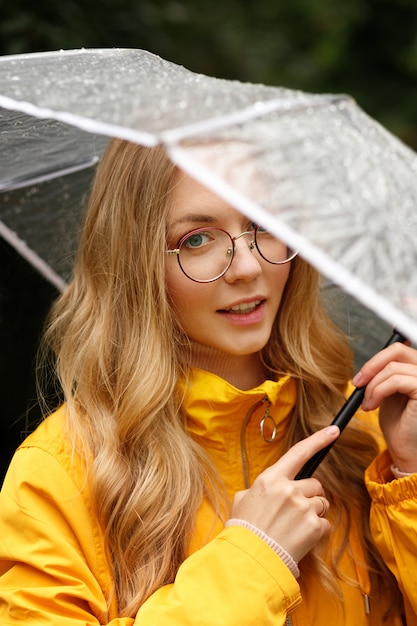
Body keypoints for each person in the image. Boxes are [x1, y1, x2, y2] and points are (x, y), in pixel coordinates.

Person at [1, 138, 417, 626]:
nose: (247, 267)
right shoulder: (59, 473)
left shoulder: (363, 434)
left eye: (262, 224)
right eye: (197, 239)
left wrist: (409, 476)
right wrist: (250, 561)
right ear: (136, 264)